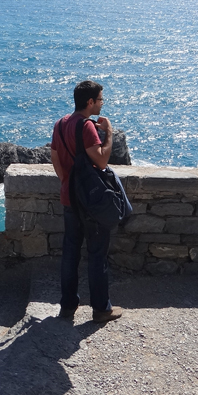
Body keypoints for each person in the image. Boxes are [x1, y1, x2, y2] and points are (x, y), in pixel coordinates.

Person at [50, 80, 123, 323]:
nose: (102, 104)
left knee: (70, 253)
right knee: (96, 254)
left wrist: (66, 182)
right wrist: (109, 133)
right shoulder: (87, 126)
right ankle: (101, 309)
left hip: (69, 197)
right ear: (90, 102)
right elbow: (101, 161)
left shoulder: (61, 124)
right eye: (101, 100)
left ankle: (67, 307)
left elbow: (55, 158)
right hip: (90, 202)